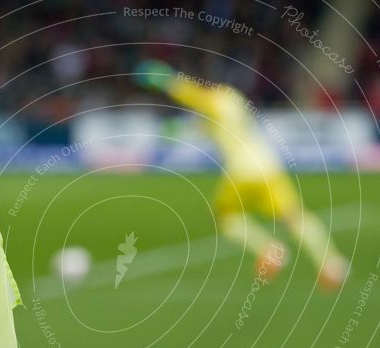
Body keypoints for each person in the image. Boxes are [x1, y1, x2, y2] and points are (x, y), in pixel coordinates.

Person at [134, 60, 349, 289]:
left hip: (242, 172)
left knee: (224, 217)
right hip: (268, 165)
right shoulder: (232, 99)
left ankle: (268, 248)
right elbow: (206, 124)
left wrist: (166, 79)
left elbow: (191, 96)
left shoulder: (213, 101)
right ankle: (331, 262)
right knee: (294, 217)